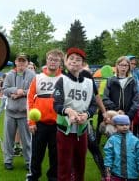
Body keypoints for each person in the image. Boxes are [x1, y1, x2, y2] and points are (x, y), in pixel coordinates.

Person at [53, 47, 97, 181]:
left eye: (78, 60)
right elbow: (56, 105)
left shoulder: (89, 83)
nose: (74, 62)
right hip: (65, 130)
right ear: (65, 62)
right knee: (64, 166)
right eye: (71, 58)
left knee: (80, 165)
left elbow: (93, 105)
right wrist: (68, 111)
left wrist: (86, 115)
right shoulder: (62, 80)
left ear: (82, 64)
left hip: (82, 130)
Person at [26, 49, 64, 181]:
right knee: (36, 154)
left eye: (56, 60)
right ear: (46, 61)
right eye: (51, 59)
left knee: (56, 154)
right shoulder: (38, 78)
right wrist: (31, 122)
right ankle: (33, 176)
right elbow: (30, 99)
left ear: (60, 63)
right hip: (39, 124)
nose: (53, 62)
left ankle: (53, 177)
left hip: (58, 123)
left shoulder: (64, 79)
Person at [2, 53, 36, 170]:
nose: (21, 64)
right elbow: (4, 89)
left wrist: (22, 93)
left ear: (27, 63)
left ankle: (28, 161)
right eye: (19, 61)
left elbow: (34, 90)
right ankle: (8, 160)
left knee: (26, 140)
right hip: (10, 113)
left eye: (23, 61)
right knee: (8, 139)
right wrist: (16, 90)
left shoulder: (32, 75)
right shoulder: (9, 75)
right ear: (15, 62)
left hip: (24, 113)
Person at [103, 114, 139, 180]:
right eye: (121, 125)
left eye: (127, 125)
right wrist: (108, 165)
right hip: (117, 173)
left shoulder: (135, 140)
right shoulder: (112, 140)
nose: (125, 127)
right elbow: (108, 154)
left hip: (132, 173)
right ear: (115, 126)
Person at [103, 56, 139, 123]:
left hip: (128, 115)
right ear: (117, 66)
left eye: (126, 65)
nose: (123, 67)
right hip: (113, 114)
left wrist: (129, 114)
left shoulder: (132, 81)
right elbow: (105, 98)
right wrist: (116, 110)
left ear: (129, 67)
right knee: (114, 132)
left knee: (125, 132)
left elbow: (136, 100)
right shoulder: (110, 80)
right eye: (121, 65)